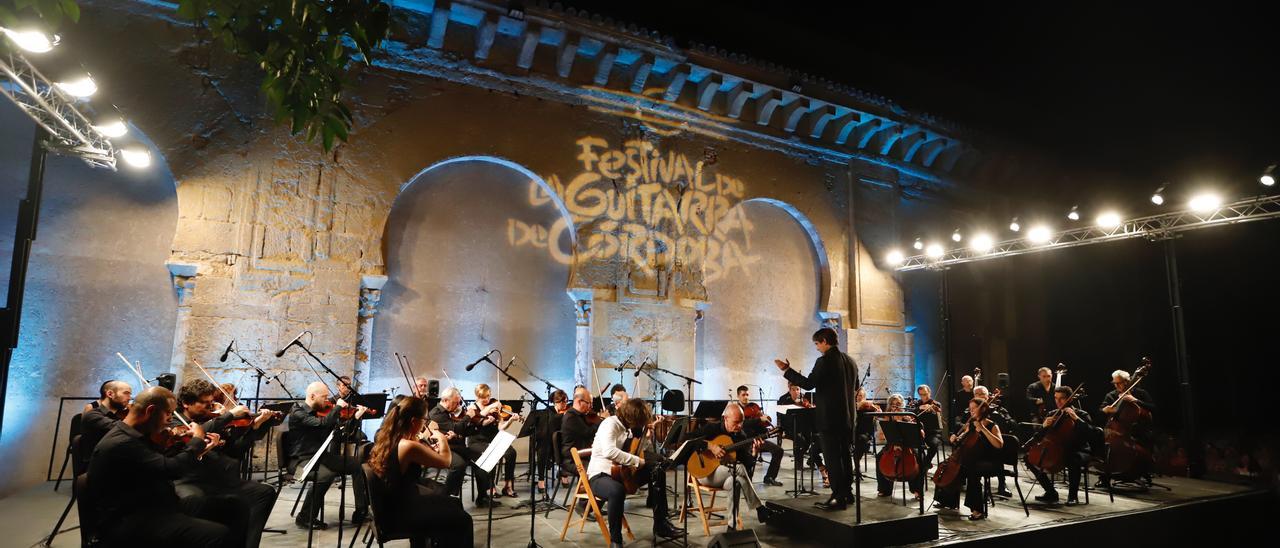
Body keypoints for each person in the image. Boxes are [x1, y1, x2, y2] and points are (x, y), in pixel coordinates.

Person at [86, 386, 235, 547]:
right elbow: (172, 469)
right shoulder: (122, 443)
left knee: (232, 507)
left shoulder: (135, 435)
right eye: (168, 413)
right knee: (218, 535)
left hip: (153, 504)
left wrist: (192, 449)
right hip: (131, 520)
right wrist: (197, 440)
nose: (170, 419)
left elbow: (155, 464)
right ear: (150, 411)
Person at [174, 379, 279, 548]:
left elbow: (234, 452)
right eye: (204, 403)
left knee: (263, 492)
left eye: (211, 402)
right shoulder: (174, 420)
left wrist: (254, 428)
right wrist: (228, 415)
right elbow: (190, 439)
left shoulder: (213, 420)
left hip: (217, 479)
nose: (210, 407)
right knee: (196, 500)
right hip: (189, 480)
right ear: (186, 403)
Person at [367, 396, 473, 547]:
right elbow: (445, 461)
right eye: (424, 419)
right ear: (413, 421)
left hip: (393, 502)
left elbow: (411, 464)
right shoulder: (408, 446)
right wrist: (442, 439)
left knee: (454, 503)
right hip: (400, 511)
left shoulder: (391, 437)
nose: (425, 423)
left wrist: (426, 449)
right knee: (463, 519)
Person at [775, 327, 859, 511]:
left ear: (824, 341)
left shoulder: (824, 361)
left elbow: (808, 384)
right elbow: (856, 387)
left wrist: (787, 370)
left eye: (817, 343)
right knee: (845, 455)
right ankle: (848, 493)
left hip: (830, 418)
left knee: (832, 459)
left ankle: (838, 497)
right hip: (848, 418)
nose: (816, 348)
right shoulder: (851, 361)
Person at [587, 398, 683, 546]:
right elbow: (609, 451)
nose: (639, 425)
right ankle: (615, 540)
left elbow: (633, 450)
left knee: (657, 470)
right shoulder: (610, 424)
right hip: (600, 475)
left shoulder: (627, 428)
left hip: (620, 472)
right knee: (616, 491)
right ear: (631, 418)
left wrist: (647, 438)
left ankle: (661, 523)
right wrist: (638, 461)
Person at [288, 381, 371, 529]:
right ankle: (305, 517)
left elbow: (341, 433)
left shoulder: (324, 412)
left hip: (321, 457)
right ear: (313, 396)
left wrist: (355, 418)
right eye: (324, 397)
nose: (327, 401)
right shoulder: (297, 411)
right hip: (301, 460)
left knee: (357, 465)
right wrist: (338, 406)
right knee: (325, 476)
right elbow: (322, 424)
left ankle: (361, 511)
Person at [693, 402, 778, 522]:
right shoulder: (712, 428)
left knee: (736, 481)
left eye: (741, 422)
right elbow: (687, 440)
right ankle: (760, 508)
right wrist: (710, 446)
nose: (739, 426)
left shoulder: (741, 436)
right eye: (735, 422)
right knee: (738, 468)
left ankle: (731, 527)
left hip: (726, 474)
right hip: (704, 472)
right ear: (725, 418)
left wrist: (754, 453)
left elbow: (748, 470)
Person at [935, 398, 1004, 520]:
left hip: (988, 461)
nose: (971, 411)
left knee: (972, 471)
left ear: (982, 409)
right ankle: (948, 501)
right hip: (971, 458)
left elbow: (999, 444)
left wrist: (982, 428)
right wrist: (955, 439)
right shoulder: (971, 424)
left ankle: (977, 510)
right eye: (970, 409)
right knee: (948, 466)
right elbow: (962, 441)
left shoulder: (992, 425)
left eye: (973, 409)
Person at [428, 386, 498, 507]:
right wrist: (468, 417)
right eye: (455, 403)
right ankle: (446, 497)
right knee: (459, 464)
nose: (457, 406)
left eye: (459, 402)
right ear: (445, 400)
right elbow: (456, 428)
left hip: (457, 446)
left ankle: (482, 496)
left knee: (483, 460)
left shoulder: (451, 413)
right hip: (445, 448)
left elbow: (464, 431)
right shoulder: (436, 413)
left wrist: (476, 424)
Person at [1026, 386, 1097, 505]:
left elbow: (1092, 433)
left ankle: (1072, 496)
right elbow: (1039, 437)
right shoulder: (1052, 414)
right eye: (1056, 398)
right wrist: (1043, 426)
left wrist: (1076, 419)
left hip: (1078, 449)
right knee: (1029, 457)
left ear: (1069, 399)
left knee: (1073, 459)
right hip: (1055, 448)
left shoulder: (1081, 414)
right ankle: (1051, 492)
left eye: (1062, 399)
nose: (1058, 402)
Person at [467, 383, 519, 497]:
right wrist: (489, 408)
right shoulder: (472, 408)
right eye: (483, 397)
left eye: (488, 396)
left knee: (511, 453)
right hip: (478, 440)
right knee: (492, 454)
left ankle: (508, 485)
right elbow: (479, 418)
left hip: (494, 439)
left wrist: (510, 420)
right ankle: (491, 487)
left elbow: (501, 427)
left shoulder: (494, 407)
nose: (486, 399)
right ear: (477, 396)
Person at [875, 394, 923, 499]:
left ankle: (917, 490)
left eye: (898, 404)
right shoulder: (888, 417)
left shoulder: (908, 416)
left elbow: (920, 434)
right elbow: (881, 437)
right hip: (891, 446)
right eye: (892, 405)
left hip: (908, 445)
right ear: (889, 406)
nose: (895, 407)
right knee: (879, 457)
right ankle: (884, 489)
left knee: (919, 458)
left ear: (902, 405)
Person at [778, 382, 825, 484]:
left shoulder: (804, 399)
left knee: (813, 437)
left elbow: (809, 415)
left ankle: (812, 459)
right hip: (790, 428)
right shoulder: (784, 400)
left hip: (803, 427)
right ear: (790, 390)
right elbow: (781, 417)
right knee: (801, 439)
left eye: (798, 389)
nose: (796, 391)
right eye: (794, 389)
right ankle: (799, 463)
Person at [735, 385, 783, 486]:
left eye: (747, 394)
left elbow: (760, 425)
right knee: (751, 458)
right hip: (745, 441)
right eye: (743, 395)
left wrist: (769, 430)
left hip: (758, 439)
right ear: (738, 396)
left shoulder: (754, 406)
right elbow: (743, 423)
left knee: (778, 451)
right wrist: (758, 420)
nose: (746, 397)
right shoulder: (736, 409)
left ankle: (769, 477)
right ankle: (747, 481)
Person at [79, 380, 132, 469]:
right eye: (126, 393)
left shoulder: (118, 414)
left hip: (116, 459)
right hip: (98, 465)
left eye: (130, 394)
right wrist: (134, 415)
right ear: (110, 394)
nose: (130, 398)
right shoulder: (92, 415)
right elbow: (121, 430)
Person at [911, 384, 944, 469]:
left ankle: (926, 462)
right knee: (914, 445)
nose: (924, 397)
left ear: (929, 392)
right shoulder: (917, 404)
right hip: (919, 431)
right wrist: (920, 408)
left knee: (934, 444)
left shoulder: (936, 404)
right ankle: (920, 462)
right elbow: (912, 414)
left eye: (925, 394)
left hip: (933, 432)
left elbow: (938, 417)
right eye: (921, 395)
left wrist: (932, 410)